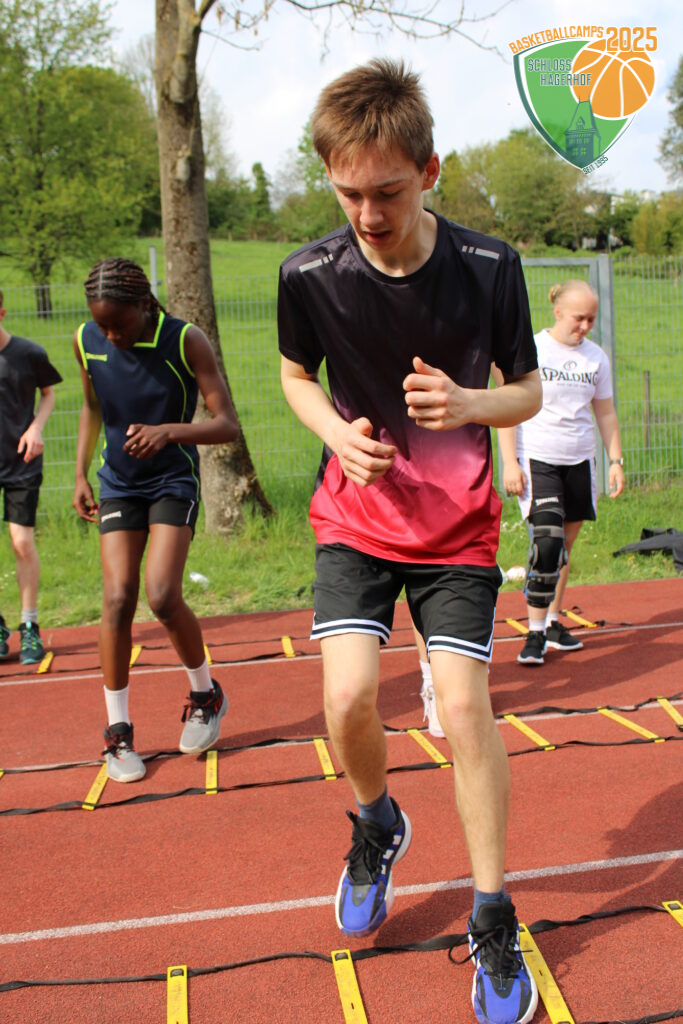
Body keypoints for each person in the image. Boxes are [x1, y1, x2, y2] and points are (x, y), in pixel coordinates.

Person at [278, 59, 542, 1024]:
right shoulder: (308, 273)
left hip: (457, 528)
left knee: (463, 709)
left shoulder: (488, 267)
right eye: (347, 193)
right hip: (355, 519)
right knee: (347, 698)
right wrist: (334, 432)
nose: (367, 213)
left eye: (387, 192)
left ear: (429, 172)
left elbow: (527, 390)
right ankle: (377, 821)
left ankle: (492, 913)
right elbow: (295, 376)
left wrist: (470, 403)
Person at [73, 258, 239, 783]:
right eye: (102, 325)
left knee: (163, 595)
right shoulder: (86, 341)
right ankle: (118, 733)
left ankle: (205, 695)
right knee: (117, 598)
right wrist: (79, 473)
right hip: (118, 483)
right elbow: (92, 407)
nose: (110, 335)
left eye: (119, 324)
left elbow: (226, 424)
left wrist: (169, 431)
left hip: (171, 480)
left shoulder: (185, 340)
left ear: (145, 305)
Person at [497, 280, 624, 666]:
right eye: (578, 318)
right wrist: (510, 462)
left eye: (591, 319)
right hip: (539, 459)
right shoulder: (533, 350)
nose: (584, 326)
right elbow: (508, 405)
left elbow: (605, 412)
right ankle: (534, 632)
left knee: (563, 549)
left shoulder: (596, 358)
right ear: (558, 312)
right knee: (547, 543)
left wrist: (616, 460)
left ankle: (552, 622)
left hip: (580, 461)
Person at [0, 288, 62, 664]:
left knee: (21, 542)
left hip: (21, 461)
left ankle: (29, 626)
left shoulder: (28, 353)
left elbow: (48, 394)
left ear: (2, 312)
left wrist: (36, 428)